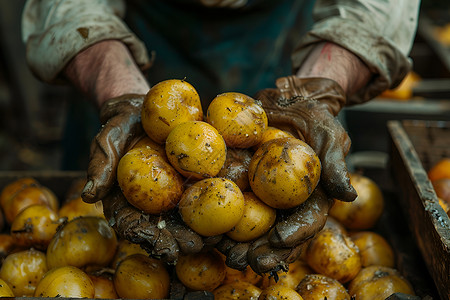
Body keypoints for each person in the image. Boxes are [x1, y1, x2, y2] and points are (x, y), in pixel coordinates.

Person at [21, 0, 420, 274]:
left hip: (292, 47)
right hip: (128, 47)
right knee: (97, 201)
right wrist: (118, 91)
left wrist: (318, 88)